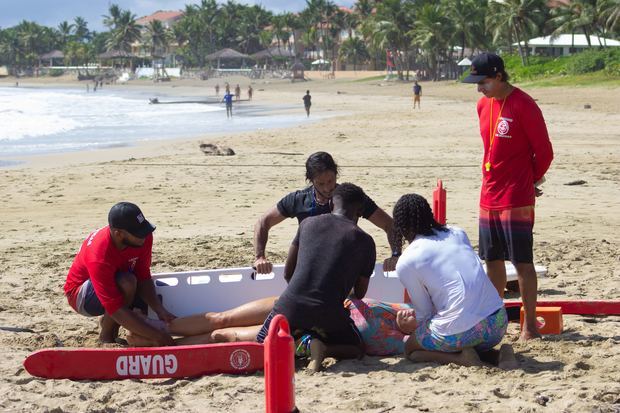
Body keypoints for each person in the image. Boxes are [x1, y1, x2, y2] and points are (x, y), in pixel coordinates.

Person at [462, 53, 554, 340]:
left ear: (499, 76)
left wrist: (531, 179)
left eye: (483, 82)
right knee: (492, 260)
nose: (479, 88)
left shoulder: (524, 105)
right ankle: (495, 318)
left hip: (516, 196)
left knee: (522, 262)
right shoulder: (482, 105)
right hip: (488, 192)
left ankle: (529, 326)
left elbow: (545, 152)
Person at [255, 183, 376, 371]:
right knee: (356, 348)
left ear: (331, 204)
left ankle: (300, 344)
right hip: (329, 313)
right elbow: (359, 293)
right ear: (359, 212)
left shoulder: (307, 224)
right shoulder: (365, 241)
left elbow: (288, 273)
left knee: (263, 342)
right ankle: (324, 349)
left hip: (292, 306)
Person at [393, 194, 508, 367]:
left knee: (411, 349)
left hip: (463, 331)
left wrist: (408, 327)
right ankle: (498, 356)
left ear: (401, 226)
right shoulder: (457, 233)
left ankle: (460, 359)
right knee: (462, 330)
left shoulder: (407, 260)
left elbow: (425, 314)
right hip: (498, 322)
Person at [253, 151, 401, 275]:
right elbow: (263, 222)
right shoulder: (299, 199)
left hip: (343, 270)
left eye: (330, 181)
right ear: (311, 180)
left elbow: (390, 224)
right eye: (320, 184)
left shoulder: (351, 197)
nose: (327, 188)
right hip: (309, 270)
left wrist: (395, 255)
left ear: (336, 174)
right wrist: (260, 257)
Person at [127, 296, 415, 358]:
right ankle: (152, 327)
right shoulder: (402, 312)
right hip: (306, 303)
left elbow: (419, 350)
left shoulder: (403, 345)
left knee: (222, 335)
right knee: (221, 318)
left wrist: (412, 335)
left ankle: (158, 343)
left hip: (306, 332)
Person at [63, 202, 176, 346]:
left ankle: (108, 322)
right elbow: (114, 307)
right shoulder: (99, 255)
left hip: (117, 281)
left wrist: (160, 310)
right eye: (138, 233)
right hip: (80, 296)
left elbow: (143, 275)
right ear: (118, 234)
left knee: (148, 292)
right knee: (127, 283)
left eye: (144, 229)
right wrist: (158, 336)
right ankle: (106, 338)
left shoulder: (143, 236)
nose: (144, 236)